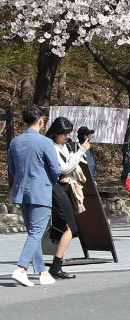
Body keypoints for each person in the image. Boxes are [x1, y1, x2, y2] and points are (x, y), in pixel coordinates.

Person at [8, 104, 62, 287]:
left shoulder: (15, 142)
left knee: (33, 233)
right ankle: (21, 268)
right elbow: (55, 169)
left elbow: (12, 169)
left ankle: (42, 272)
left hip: (22, 191)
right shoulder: (45, 142)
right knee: (36, 233)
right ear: (40, 121)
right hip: (40, 190)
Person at [46, 117, 87, 280]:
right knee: (71, 227)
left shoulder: (64, 146)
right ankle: (55, 266)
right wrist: (81, 151)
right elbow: (63, 167)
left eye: (68, 133)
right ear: (55, 132)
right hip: (56, 187)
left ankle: (57, 265)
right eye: (63, 133)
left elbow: (70, 166)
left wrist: (69, 172)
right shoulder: (51, 146)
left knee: (66, 227)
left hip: (65, 186)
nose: (66, 136)